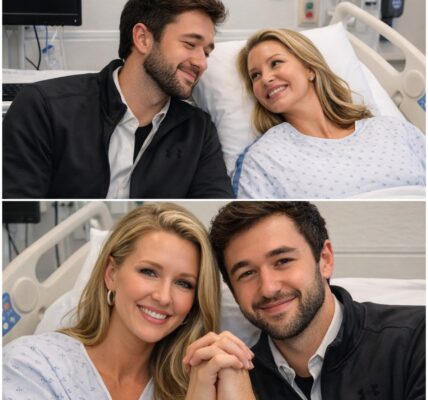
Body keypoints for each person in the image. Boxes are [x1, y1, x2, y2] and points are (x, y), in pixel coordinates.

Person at [3, 203, 254, 400]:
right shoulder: (31, 365)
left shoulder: (196, 385)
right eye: (149, 272)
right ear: (111, 274)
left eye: (183, 283)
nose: (163, 297)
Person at [186, 201, 425, 399]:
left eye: (283, 261)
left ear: (325, 260)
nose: (268, 288)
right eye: (247, 273)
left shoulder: (416, 339)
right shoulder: (232, 380)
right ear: (233, 289)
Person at [3, 0, 233, 199]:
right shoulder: (44, 108)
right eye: (190, 44)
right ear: (142, 38)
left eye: (206, 52)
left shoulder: (198, 132)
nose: (202, 63)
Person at [231, 29, 425, 198]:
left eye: (275, 63)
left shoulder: (393, 129)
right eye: (255, 75)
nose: (265, 78)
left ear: (309, 69)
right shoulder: (263, 158)